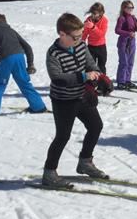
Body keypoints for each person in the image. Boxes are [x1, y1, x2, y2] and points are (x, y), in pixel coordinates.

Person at [43, 13, 108, 188]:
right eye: (76, 36)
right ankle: (49, 173)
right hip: (63, 100)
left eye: (81, 35)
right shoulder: (53, 53)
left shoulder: (80, 45)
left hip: (81, 96)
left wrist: (100, 79)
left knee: (96, 126)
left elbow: (91, 65)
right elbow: (57, 78)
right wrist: (83, 76)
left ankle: (85, 162)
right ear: (62, 34)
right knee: (63, 136)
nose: (79, 39)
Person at [114, 0, 137, 90]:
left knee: (130, 63)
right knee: (124, 63)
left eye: (132, 7)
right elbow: (117, 30)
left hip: (132, 42)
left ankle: (127, 80)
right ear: (124, 8)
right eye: (129, 8)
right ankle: (121, 81)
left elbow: (135, 29)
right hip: (123, 43)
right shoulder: (121, 18)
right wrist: (128, 33)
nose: (130, 9)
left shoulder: (133, 17)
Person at [82, 2, 109, 73]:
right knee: (90, 66)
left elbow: (101, 34)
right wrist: (81, 42)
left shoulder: (104, 20)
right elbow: (84, 33)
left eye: (95, 13)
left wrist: (93, 27)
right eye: (92, 13)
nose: (93, 15)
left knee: (101, 66)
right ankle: (91, 82)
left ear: (101, 13)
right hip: (91, 47)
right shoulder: (88, 20)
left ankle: (102, 81)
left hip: (101, 47)